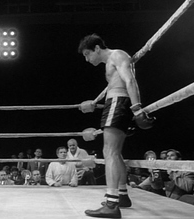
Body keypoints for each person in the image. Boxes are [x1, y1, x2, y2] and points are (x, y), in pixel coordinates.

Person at [78, 34, 153, 218]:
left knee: (109, 151)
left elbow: (129, 80)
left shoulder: (117, 55)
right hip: (118, 104)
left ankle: (111, 204)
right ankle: (122, 196)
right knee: (116, 153)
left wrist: (137, 109)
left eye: (88, 54)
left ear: (97, 48)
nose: (87, 59)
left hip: (118, 103)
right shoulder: (109, 63)